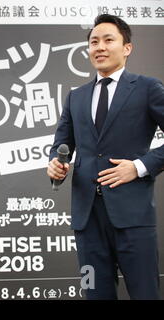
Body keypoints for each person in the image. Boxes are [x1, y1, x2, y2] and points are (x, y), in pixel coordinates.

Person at [47, 14, 164, 299]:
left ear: (127, 48)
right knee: (94, 294)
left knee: (145, 293)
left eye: (108, 40)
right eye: (93, 42)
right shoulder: (76, 96)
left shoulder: (148, 88)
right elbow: (61, 144)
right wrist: (55, 164)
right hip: (87, 219)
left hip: (133, 216)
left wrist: (138, 167)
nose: (99, 47)